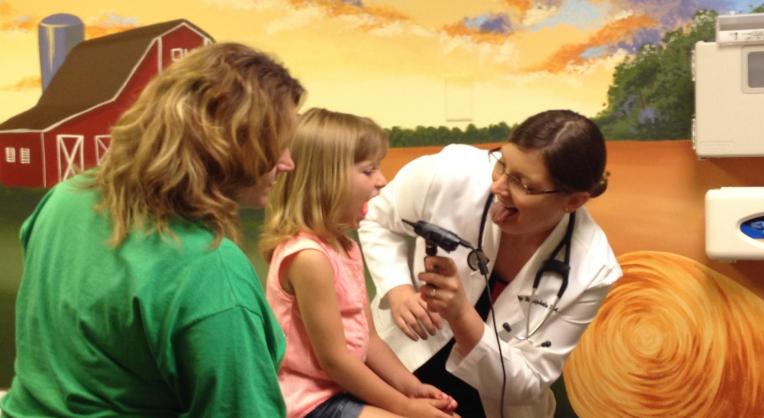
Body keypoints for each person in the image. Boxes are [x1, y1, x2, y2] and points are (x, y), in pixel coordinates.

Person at [0, 42, 305, 417]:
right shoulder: (209, 269)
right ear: (228, 146)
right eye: (278, 146)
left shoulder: (65, 198)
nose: (288, 163)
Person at [358, 109, 622, 418]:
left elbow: (527, 382)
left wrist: (460, 315)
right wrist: (398, 289)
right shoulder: (450, 172)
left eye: (523, 183)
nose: (497, 186)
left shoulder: (592, 269)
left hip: (493, 401)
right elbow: (376, 218)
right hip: (399, 364)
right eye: (502, 163)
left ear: (574, 201)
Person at [261, 108, 458, 418]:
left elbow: (369, 339)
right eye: (368, 171)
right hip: (307, 403)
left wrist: (410, 386)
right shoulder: (308, 257)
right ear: (325, 178)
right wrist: (406, 408)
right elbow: (335, 360)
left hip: (340, 390)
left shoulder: (345, 246)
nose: (381, 181)